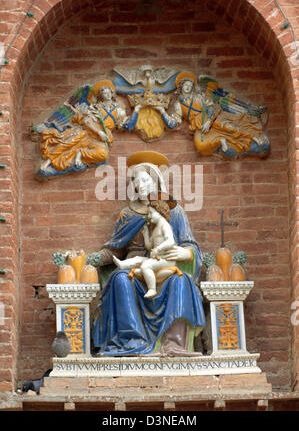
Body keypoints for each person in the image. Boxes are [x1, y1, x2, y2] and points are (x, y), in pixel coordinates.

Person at [89, 151, 206, 356]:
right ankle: (132, 341)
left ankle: (173, 344)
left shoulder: (174, 211)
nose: (139, 186)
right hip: (135, 266)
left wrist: (185, 253)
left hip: (165, 265)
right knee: (119, 279)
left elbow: (191, 246)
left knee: (181, 282)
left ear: (155, 182)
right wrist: (92, 260)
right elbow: (115, 249)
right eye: (135, 182)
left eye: (144, 181)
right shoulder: (128, 214)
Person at [170, 71, 269, 158]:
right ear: (181, 86)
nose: (188, 87)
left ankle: (252, 137)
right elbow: (177, 119)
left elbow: (210, 107)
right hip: (198, 125)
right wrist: (164, 113)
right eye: (185, 85)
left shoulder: (199, 97)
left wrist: (208, 121)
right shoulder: (178, 104)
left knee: (227, 127)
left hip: (210, 118)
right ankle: (220, 140)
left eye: (190, 85)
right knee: (200, 145)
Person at [112, 200, 180, 299]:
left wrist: (158, 249)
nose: (149, 216)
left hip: (166, 260)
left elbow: (170, 242)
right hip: (157, 259)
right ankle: (123, 265)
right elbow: (149, 247)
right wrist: (145, 235)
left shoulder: (165, 226)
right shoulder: (156, 228)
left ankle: (152, 289)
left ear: (160, 212)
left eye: (151, 213)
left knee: (145, 266)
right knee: (138, 259)